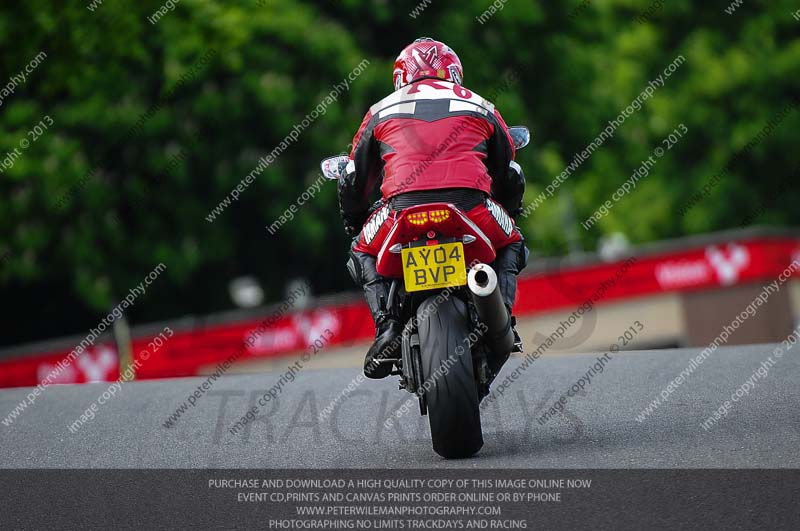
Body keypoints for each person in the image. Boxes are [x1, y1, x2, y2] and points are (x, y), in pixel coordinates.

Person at [338, 37, 528, 379]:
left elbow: (354, 178)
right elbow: (508, 170)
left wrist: (355, 222)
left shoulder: (379, 109)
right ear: (454, 72)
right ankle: (503, 320)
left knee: (360, 249)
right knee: (512, 240)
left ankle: (387, 328)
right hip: (471, 207)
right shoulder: (481, 104)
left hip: (400, 210)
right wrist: (508, 211)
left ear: (400, 76)